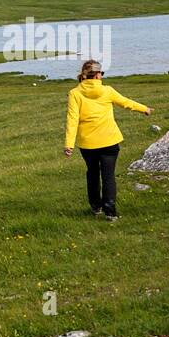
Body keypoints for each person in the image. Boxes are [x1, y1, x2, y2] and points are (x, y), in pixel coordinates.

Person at [63, 60, 152, 221]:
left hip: (87, 144)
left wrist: (69, 144)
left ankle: (96, 207)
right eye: (101, 73)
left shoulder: (75, 93)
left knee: (92, 173)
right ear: (97, 75)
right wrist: (144, 109)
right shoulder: (107, 91)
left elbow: (72, 119)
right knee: (108, 175)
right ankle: (110, 212)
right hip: (109, 141)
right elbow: (126, 103)